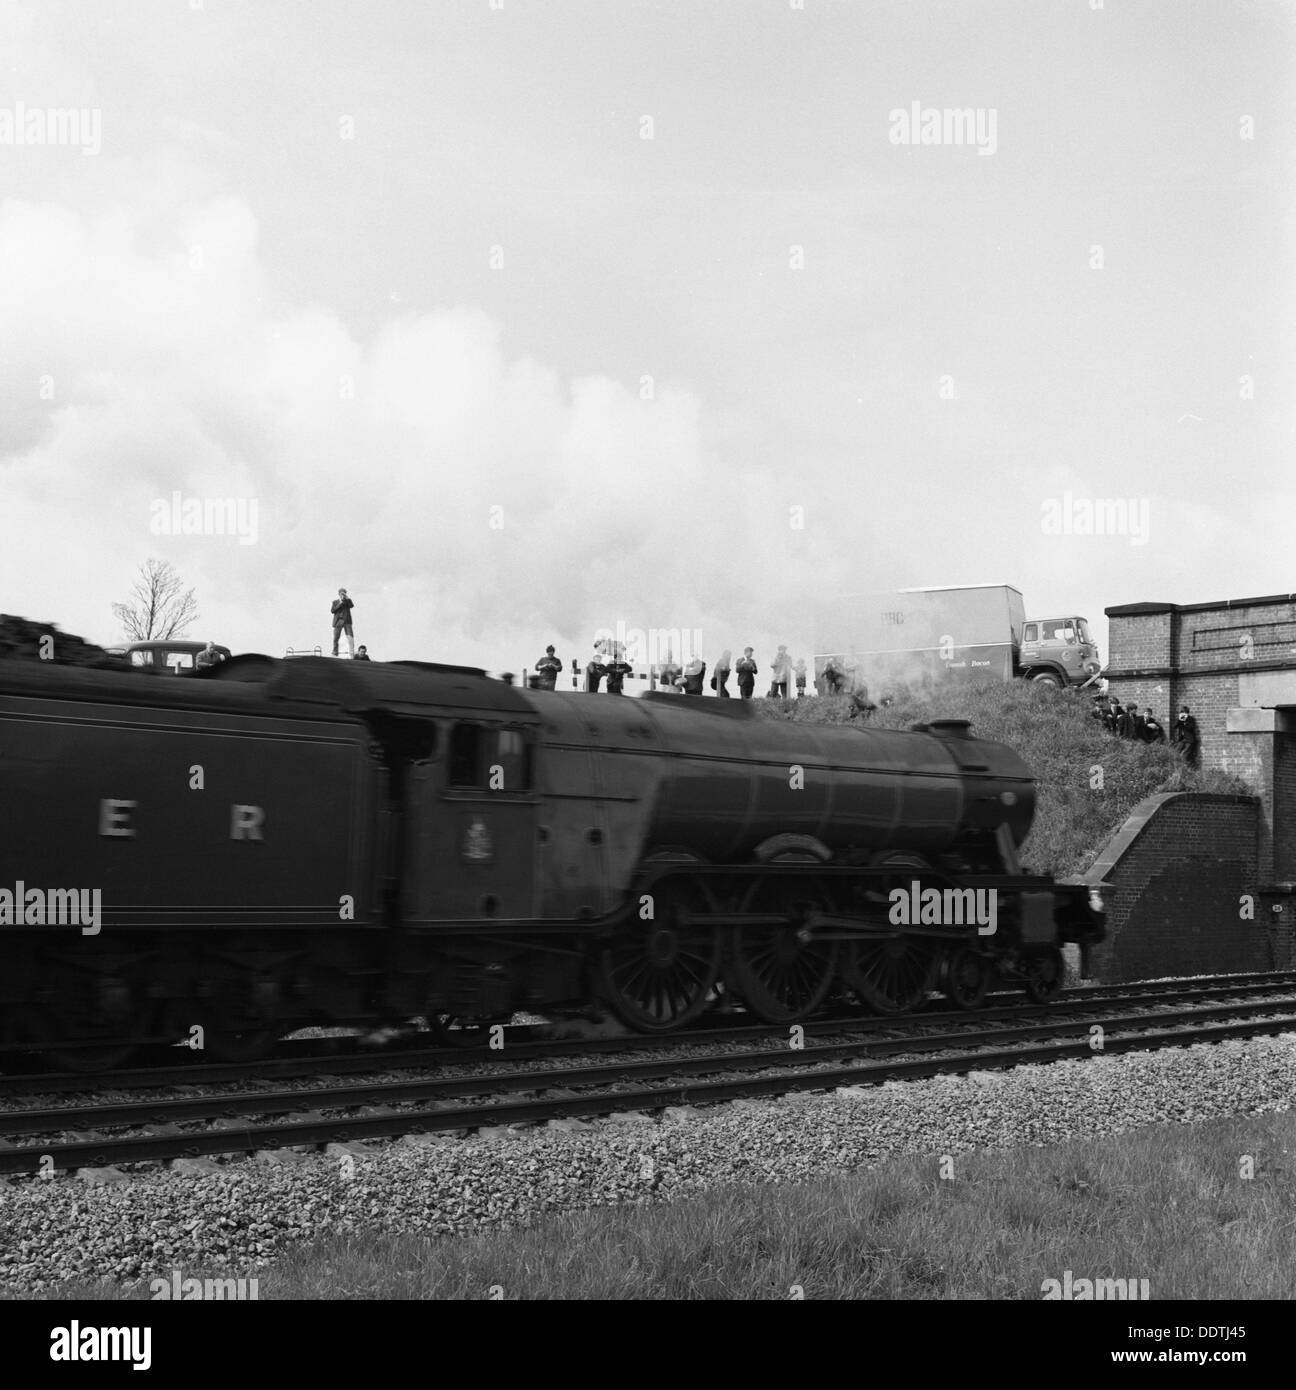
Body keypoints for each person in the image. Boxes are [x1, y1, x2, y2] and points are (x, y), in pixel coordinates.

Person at [330, 587, 355, 657]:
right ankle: (335, 652)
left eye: (344, 593)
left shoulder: (348, 601)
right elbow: (332, 611)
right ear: (339, 594)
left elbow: (351, 606)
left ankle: (352, 654)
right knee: (336, 638)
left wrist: (346, 598)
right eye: (341, 593)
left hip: (347, 621)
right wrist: (340, 603)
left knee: (350, 638)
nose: (343, 595)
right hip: (338, 621)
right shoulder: (335, 602)